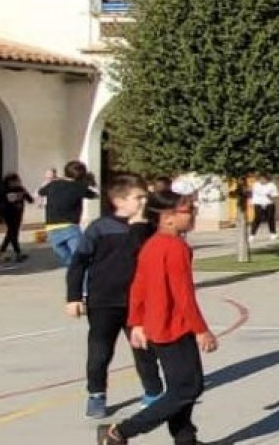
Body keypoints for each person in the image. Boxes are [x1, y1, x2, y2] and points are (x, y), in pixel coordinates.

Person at [97, 191, 217, 445]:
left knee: (180, 387)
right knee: (188, 388)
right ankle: (120, 432)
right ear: (167, 217)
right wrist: (201, 329)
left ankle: (185, 439)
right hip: (174, 327)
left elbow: (137, 287)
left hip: (157, 326)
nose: (193, 214)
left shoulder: (152, 245)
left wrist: (137, 322)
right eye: (188, 210)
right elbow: (183, 294)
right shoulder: (174, 247)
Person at [68, 175, 165, 420]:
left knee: (144, 349)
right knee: (100, 352)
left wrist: (140, 226)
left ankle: (153, 392)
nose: (144, 202)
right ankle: (96, 394)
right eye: (138, 197)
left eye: (145, 197)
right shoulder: (100, 227)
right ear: (119, 201)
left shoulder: (149, 227)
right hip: (104, 301)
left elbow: (146, 255)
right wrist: (73, 296)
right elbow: (79, 262)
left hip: (138, 302)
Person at [39, 160, 98, 266]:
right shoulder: (79, 187)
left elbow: (40, 192)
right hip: (70, 227)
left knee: (69, 261)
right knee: (80, 260)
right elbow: (95, 195)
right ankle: (84, 275)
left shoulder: (53, 184)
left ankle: (75, 274)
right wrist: (91, 183)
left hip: (52, 228)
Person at [0, 172, 34, 263]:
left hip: (18, 214)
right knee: (12, 233)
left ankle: (1, 252)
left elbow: (30, 200)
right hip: (8, 214)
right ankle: (18, 253)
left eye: (17, 181)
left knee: (11, 233)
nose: (15, 183)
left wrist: (24, 194)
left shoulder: (21, 189)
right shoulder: (4, 190)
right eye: (13, 182)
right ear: (8, 182)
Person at [249, 176, 279, 243]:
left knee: (270, 218)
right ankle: (252, 235)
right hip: (258, 203)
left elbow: (276, 195)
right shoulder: (256, 185)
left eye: (264, 179)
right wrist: (250, 202)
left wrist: (270, 196)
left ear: (267, 179)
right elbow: (252, 194)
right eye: (261, 179)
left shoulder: (272, 185)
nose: (262, 180)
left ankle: (273, 233)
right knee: (257, 219)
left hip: (269, 203)